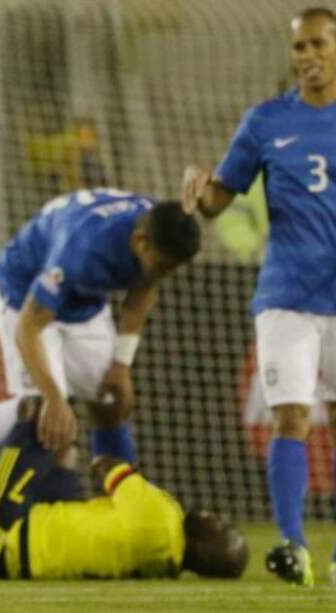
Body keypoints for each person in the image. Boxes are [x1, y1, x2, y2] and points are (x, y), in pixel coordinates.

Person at [0, 189, 201, 538]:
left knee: (110, 402)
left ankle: (117, 508)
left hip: (83, 305)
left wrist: (122, 365)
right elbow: (29, 328)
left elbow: (145, 287)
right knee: (43, 417)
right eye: (162, 265)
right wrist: (56, 399)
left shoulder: (157, 224)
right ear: (139, 241)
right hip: (25, 296)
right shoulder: (82, 250)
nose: (163, 274)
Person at [181, 6, 336, 588]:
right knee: (290, 415)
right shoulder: (266, 121)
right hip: (286, 296)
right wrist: (203, 188)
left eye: (319, 44)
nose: (308, 56)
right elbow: (224, 197)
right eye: (300, 48)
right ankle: (294, 547)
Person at [0, 407, 249, 581]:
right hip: (20, 553)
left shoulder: (163, 517)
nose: (218, 517)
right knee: (66, 455)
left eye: (221, 528)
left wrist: (109, 449)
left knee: (40, 409)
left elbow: (106, 467)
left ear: (204, 546)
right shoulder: (163, 568)